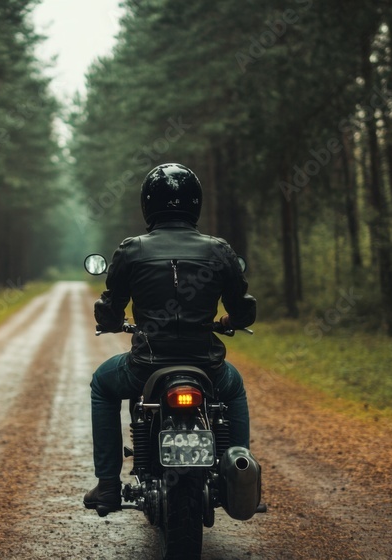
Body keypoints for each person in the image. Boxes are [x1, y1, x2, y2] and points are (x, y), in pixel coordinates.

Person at [83, 163, 257, 515]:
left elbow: (110, 308)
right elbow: (244, 309)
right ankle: (240, 477)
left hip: (146, 366)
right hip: (206, 363)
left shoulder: (132, 249)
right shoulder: (218, 250)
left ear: (148, 203)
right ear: (196, 203)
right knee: (234, 385)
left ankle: (108, 485)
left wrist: (115, 321)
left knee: (103, 382)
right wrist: (229, 320)